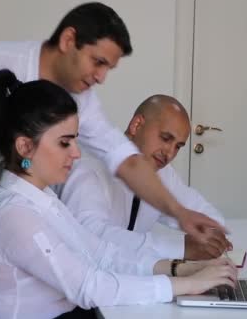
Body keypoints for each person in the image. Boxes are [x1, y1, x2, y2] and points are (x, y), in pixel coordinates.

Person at [0, 2, 224, 318]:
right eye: (98, 61)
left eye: (110, 68)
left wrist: (180, 220)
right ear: (69, 40)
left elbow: (125, 160)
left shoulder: (72, 116)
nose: (101, 76)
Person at [0, 70, 238, 318]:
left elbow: (101, 254)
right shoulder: (14, 214)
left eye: (75, 139)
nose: (77, 152)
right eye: (64, 143)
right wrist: (187, 284)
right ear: (25, 147)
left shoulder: (41, 198)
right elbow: (89, 285)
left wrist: (179, 270)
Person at [60, 95, 232, 260]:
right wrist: (180, 248)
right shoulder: (89, 166)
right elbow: (89, 237)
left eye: (178, 146)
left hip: (133, 277)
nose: (169, 153)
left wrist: (213, 235)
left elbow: (194, 208)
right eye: (165, 138)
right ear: (136, 125)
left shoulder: (162, 171)